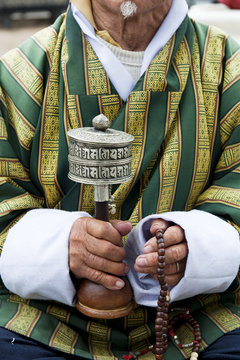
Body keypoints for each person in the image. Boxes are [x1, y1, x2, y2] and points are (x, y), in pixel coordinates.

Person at [0, 0, 239, 359]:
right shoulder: (20, 75)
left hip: (202, 314)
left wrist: (198, 246)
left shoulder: (228, 69)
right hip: (43, 319)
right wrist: (60, 245)